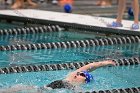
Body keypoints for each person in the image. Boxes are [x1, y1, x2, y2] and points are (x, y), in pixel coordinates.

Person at [0, 60, 116, 92]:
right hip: (43, 89)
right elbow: (90, 66)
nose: (78, 73)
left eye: (82, 74)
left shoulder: (77, 88)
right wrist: (103, 63)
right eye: (79, 72)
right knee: (21, 87)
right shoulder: (70, 77)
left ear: (85, 80)